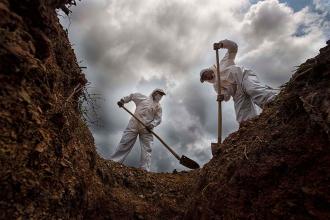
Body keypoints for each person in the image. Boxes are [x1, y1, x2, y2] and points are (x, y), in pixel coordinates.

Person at [200, 39, 278, 123]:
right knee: (242, 112)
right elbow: (226, 95)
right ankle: (249, 125)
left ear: (208, 70)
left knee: (252, 89)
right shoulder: (216, 86)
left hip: (243, 77)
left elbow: (233, 47)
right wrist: (222, 97)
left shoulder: (223, 63)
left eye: (205, 75)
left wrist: (221, 44)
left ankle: (273, 101)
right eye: (204, 79)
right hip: (237, 93)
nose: (206, 78)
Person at [110, 88, 165, 171]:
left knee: (147, 148)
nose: (160, 96)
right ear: (154, 92)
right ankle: (114, 161)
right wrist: (123, 100)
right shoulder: (142, 98)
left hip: (147, 128)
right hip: (134, 124)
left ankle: (144, 169)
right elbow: (132, 96)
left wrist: (152, 124)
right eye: (159, 93)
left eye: (161, 95)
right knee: (125, 142)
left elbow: (158, 119)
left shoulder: (158, 107)